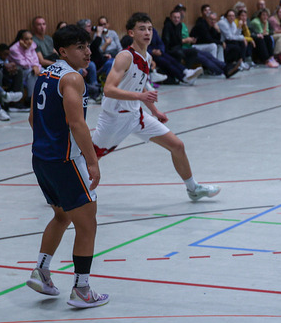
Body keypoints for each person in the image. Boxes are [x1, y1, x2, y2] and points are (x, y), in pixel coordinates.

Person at [91, 13, 221, 202]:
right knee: (91, 158)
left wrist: (154, 110)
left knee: (177, 146)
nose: (147, 32)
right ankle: (66, 192)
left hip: (136, 116)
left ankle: (193, 189)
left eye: (150, 29)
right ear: (131, 33)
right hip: (115, 118)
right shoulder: (125, 56)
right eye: (142, 29)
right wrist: (140, 97)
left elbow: (139, 83)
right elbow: (109, 90)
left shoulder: (146, 56)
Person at [25, 24, 109, 309]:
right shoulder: (72, 79)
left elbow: (32, 120)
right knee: (88, 225)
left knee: (62, 217)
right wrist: (92, 161)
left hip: (41, 159)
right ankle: (82, 289)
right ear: (63, 51)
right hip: (65, 162)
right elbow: (77, 123)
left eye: (87, 46)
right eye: (79, 48)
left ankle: (41, 270)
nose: (87, 52)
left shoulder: (45, 74)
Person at [8, 29, 43, 96]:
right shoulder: (14, 49)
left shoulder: (32, 45)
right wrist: (27, 50)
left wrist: (36, 66)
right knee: (32, 73)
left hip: (31, 68)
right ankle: (31, 98)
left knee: (44, 72)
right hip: (19, 72)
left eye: (31, 39)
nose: (30, 41)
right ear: (21, 40)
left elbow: (36, 60)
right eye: (27, 39)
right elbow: (24, 65)